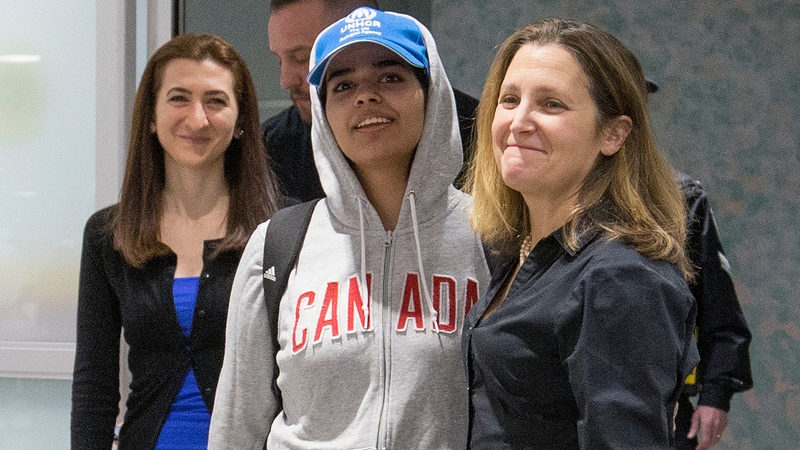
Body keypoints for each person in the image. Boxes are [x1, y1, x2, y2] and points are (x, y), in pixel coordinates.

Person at [209, 7, 490, 449]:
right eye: (342, 85)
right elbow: (236, 427)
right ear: (323, 113)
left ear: (430, 93)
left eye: (390, 77)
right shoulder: (277, 248)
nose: (365, 97)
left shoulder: (493, 238)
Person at [462, 18, 700, 448]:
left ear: (613, 134)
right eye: (510, 99)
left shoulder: (620, 275)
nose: (518, 121)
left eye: (551, 104)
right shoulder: (516, 252)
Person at [70, 33, 284, 449]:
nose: (197, 118)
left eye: (216, 101)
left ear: (241, 121)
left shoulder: (282, 230)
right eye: (179, 98)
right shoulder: (108, 235)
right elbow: (94, 386)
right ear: (151, 116)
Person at [264, 0, 479, 201]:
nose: (285, 81)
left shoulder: (484, 135)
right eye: (344, 86)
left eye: (303, 57)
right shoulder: (269, 147)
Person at [674, 173, 753, 450]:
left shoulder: (678, 196)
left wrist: (716, 394)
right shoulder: (546, 196)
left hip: (662, 410)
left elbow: (719, 307)